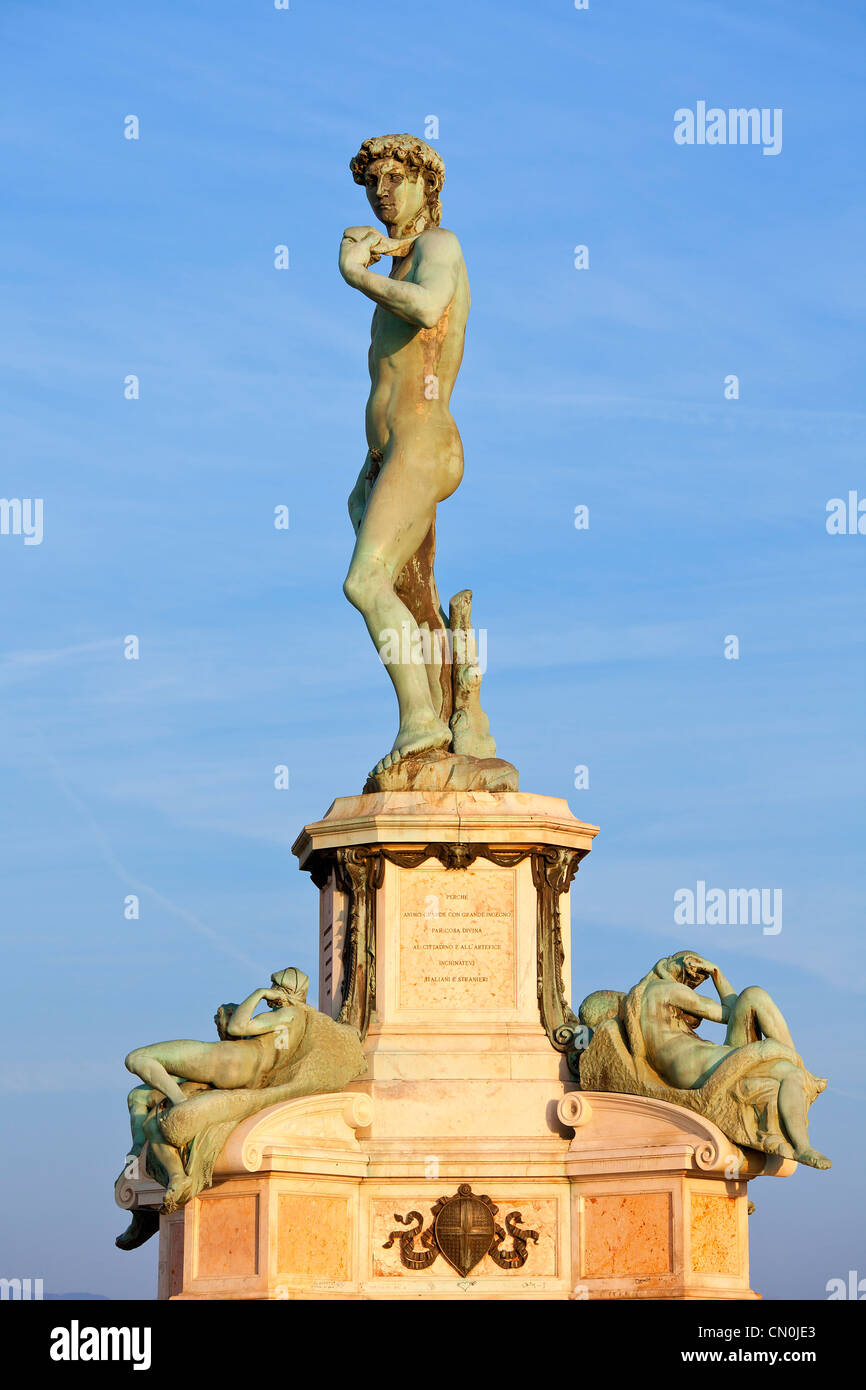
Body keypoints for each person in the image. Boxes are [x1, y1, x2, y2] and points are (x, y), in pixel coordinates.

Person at [339, 134, 469, 777]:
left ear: (426, 185)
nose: (382, 193)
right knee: (410, 598)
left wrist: (357, 274)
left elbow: (428, 307)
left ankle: (420, 720)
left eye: (395, 179)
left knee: (364, 581)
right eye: (372, 184)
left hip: (424, 442)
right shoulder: (400, 260)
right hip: (389, 456)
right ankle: (457, 718)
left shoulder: (438, 249)